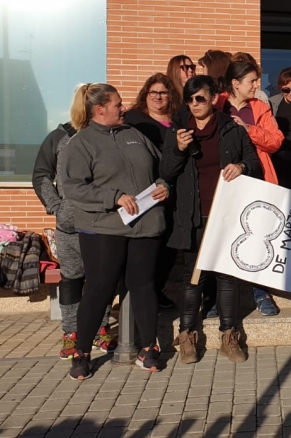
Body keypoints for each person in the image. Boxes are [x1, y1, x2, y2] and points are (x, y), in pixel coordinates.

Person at [60, 83, 169, 380]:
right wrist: (114, 197)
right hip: (103, 228)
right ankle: (81, 353)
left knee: (144, 285)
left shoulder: (134, 135)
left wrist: (163, 186)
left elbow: (160, 169)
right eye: (118, 104)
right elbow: (73, 187)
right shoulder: (80, 144)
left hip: (146, 225)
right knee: (99, 288)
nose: (123, 108)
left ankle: (148, 349)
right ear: (99, 110)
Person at [161, 75, 262, 364]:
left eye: (200, 98)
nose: (194, 104)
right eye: (190, 99)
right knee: (193, 278)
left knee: (227, 277)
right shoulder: (178, 132)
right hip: (192, 216)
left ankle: (229, 336)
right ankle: (187, 335)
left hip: (226, 215)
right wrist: (179, 150)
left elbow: (254, 164)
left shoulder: (231, 129)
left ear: (214, 98)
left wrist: (241, 166)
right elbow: (166, 172)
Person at [32, 113, 114, 359]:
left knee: (101, 279)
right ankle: (71, 332)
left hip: (103, 221)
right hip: (69, 225)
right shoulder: (60, 136)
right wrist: (57, 207)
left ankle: (101, 327)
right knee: (72, 278)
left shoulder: (109, 134)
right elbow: (41, 174)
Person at [216, 60, 285, 316]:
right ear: (235, 84)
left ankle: (260, 291)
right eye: (252, 81)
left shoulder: (260, 108)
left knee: (258, 236)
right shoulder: (217, 104)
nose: (257, 85)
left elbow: (276, 141)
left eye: (257, 80)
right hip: (225, 182)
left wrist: (249, 130)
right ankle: (218, 297)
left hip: (257, 180)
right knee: (224, 238)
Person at [122, 73, 183, 310]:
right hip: (143, 192)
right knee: (149, 246)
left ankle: (157, 290)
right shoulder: (134, 119)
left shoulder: (178, 120)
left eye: (163, 92)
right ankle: (139, 296)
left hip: (173, 190)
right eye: (153, 92)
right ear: (146, 94)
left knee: (169, 245)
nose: (158, 97)